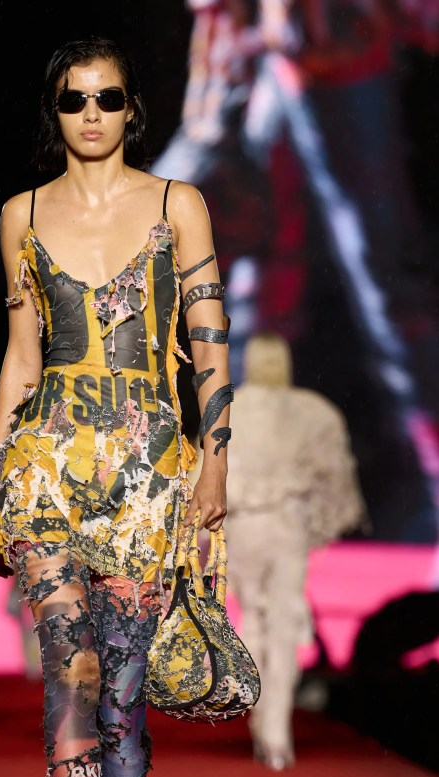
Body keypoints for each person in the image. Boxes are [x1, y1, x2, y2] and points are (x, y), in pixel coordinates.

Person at [0, 37, 232, 777]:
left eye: (108, 98)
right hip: (46, 468)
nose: (91, 114)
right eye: (74, 100)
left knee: (123, 698)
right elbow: (20, 356)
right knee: (72, 676)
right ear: (55, 112)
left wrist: (215, 461)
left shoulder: (176, 205)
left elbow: (209, 339)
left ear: (132, 109)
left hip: (147, 473)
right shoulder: (21, 213)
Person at [151, 0, 439, 544]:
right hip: (265, 52)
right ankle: (243, 491)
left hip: (337, 47)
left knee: (386, 283)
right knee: (249, 280)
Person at [221, 331, 367, 771]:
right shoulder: (315, 412)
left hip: (245, 525)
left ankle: (261, 715)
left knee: (254, 618)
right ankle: (277, 732)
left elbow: (210, 474)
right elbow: (336, 479)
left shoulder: (229, 409)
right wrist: (319, 526)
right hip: (287, 526)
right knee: (283, 621)